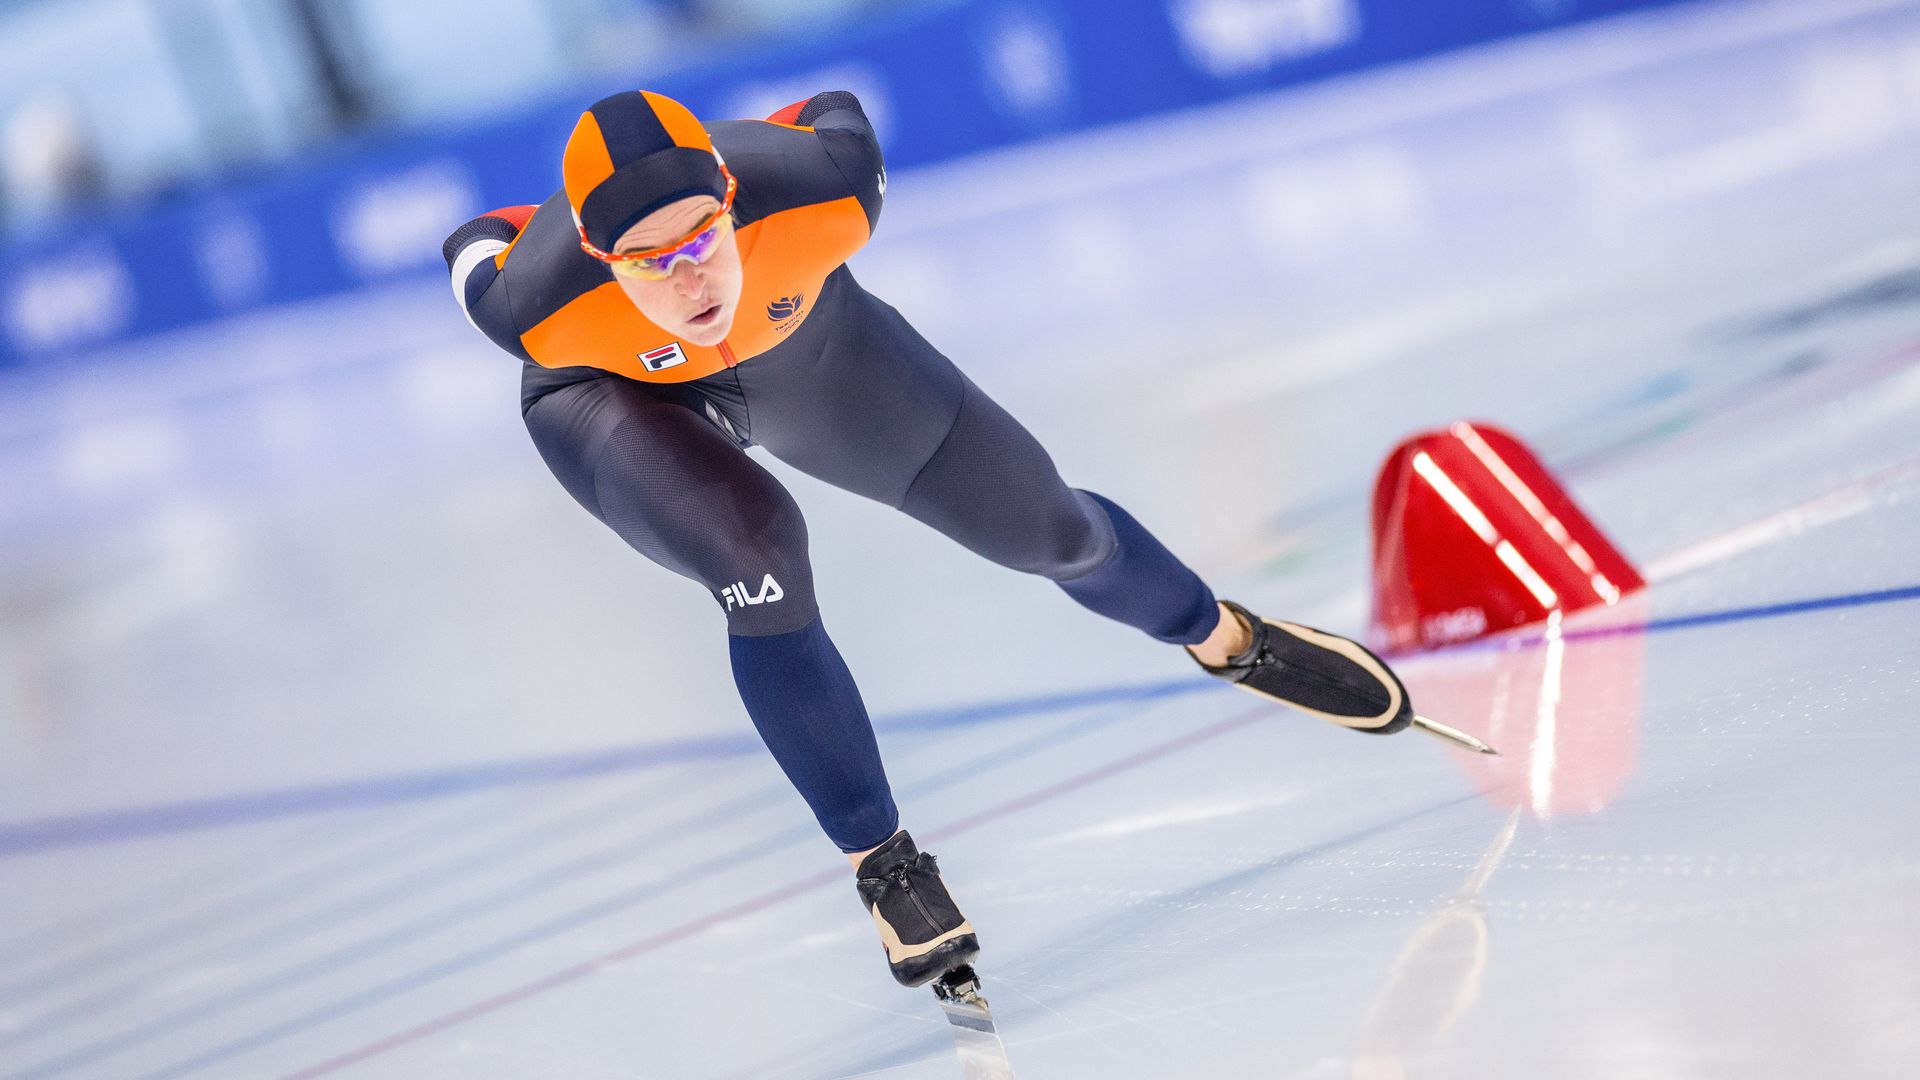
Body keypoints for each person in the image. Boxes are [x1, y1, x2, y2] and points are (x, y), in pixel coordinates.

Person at [442, 89, 1420, 990]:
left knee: (1050, 529)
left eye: (701, 234)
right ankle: (885, 866)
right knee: (758, 557)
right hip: (613, 396)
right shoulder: (532, 305)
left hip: (808, 345)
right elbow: (474, 242)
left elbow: (829, 109)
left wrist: (757, 144)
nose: (688, 275)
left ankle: (1228, 639)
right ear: (599, 256)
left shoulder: (822, 187)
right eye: (649, 259)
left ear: (732, 197)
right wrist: (528, 228)